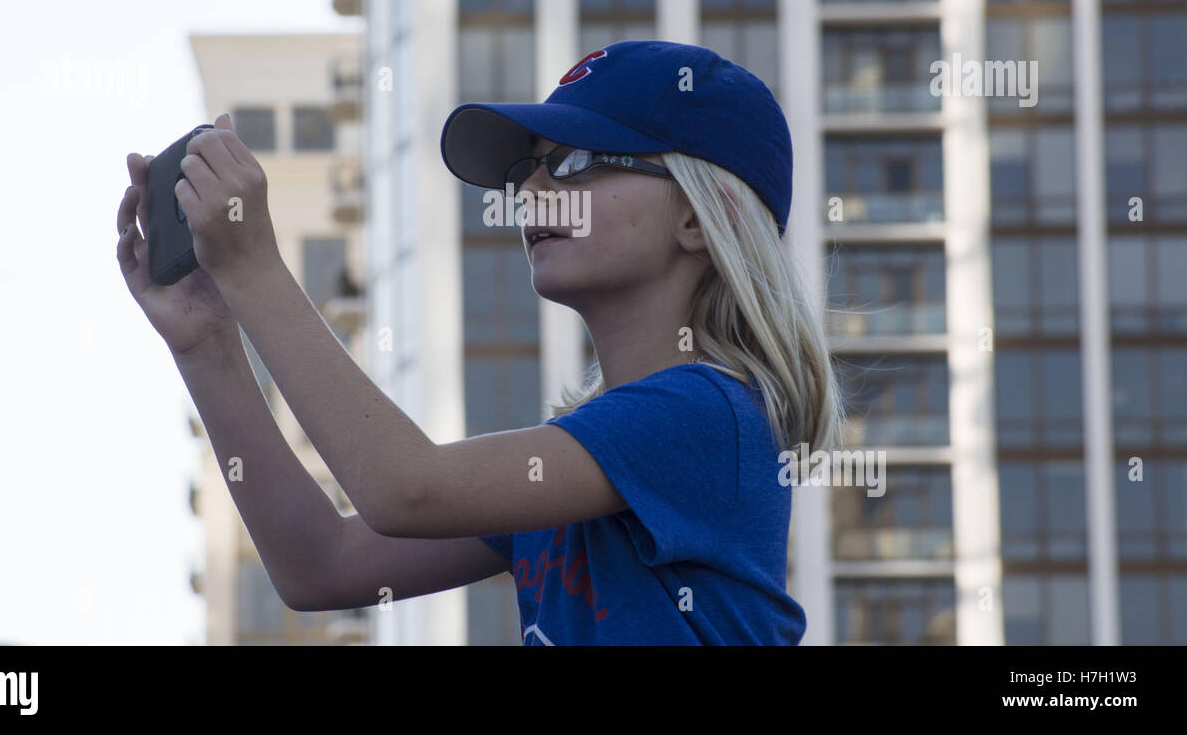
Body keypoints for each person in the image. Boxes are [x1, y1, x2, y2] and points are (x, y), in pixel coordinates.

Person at [116, 38, 845, 646]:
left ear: (699, 216)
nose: (532, 191)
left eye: (574, 162)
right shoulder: (582, 460)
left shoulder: (705, 414)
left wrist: (254, 272)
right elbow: (320, 565)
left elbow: (406, 489)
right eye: (528, 169)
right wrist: (208, 344)